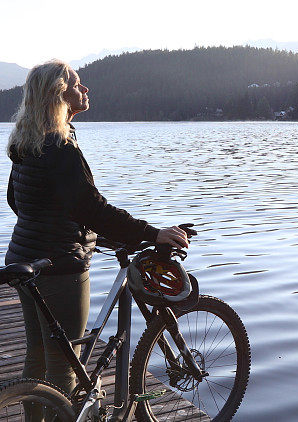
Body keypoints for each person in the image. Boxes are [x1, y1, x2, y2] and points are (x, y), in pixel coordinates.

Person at [5, 59, 188, 420]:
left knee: (38, 356)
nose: (85, 89)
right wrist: (153, 233)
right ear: (61, 95)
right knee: (63, 366)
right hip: (61, 267)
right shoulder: (59, 147)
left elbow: (18, 201)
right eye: (77, 85)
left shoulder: (26, 141)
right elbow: (92, 207)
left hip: (23, 259)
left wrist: (74, 226)